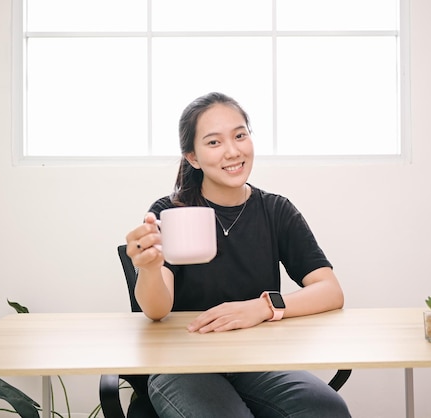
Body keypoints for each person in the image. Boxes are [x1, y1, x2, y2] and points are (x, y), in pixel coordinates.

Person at [125, 92, 351, 418]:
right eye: (214, 142)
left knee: (328, 409)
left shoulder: (276, 210)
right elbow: (158, 310)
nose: (233, 151)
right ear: (192, 157)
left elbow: (331, 291)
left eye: (240, 135)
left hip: (256, 359)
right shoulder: (170, 212)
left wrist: (263, 307)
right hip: (183, 363)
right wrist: (149, 267)